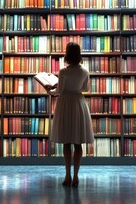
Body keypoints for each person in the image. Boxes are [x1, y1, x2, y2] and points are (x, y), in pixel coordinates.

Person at [46, 42, 94, 188]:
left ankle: (67, 175)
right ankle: (76, 176)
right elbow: (85, 89)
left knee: (67, 141)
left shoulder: (63, 71)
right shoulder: (85, 71)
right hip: (79, 103)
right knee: (78, 142)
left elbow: (59, 91)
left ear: (67, 54)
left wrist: (50, 90)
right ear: (79, 54)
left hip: (65, 103)